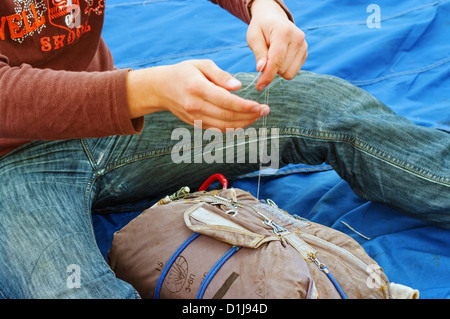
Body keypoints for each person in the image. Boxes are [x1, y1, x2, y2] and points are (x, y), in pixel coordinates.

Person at [0, 0, 448, 299]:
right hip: (11, 162)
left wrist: (262, 7)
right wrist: (145, 90)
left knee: (327, 109)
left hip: (114, 118)